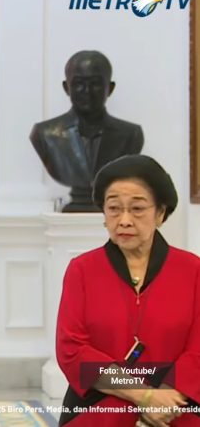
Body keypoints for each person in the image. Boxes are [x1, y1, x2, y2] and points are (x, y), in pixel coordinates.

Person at [56, 155, 200, 426]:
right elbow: (72, 350)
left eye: (137, 209)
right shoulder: (82, 270)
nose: (124, 220)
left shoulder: (193, 270)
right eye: (114, 208)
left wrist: (165, 399)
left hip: (177, 404)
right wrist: (143, 396)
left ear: (160, 213)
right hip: (100, 404)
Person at [30, 50, 144, 212]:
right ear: (66, 88)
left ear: (110, 88)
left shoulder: (131, 135)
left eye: (95, 83)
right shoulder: (45, 134)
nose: (87, 91)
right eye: (79, 83)